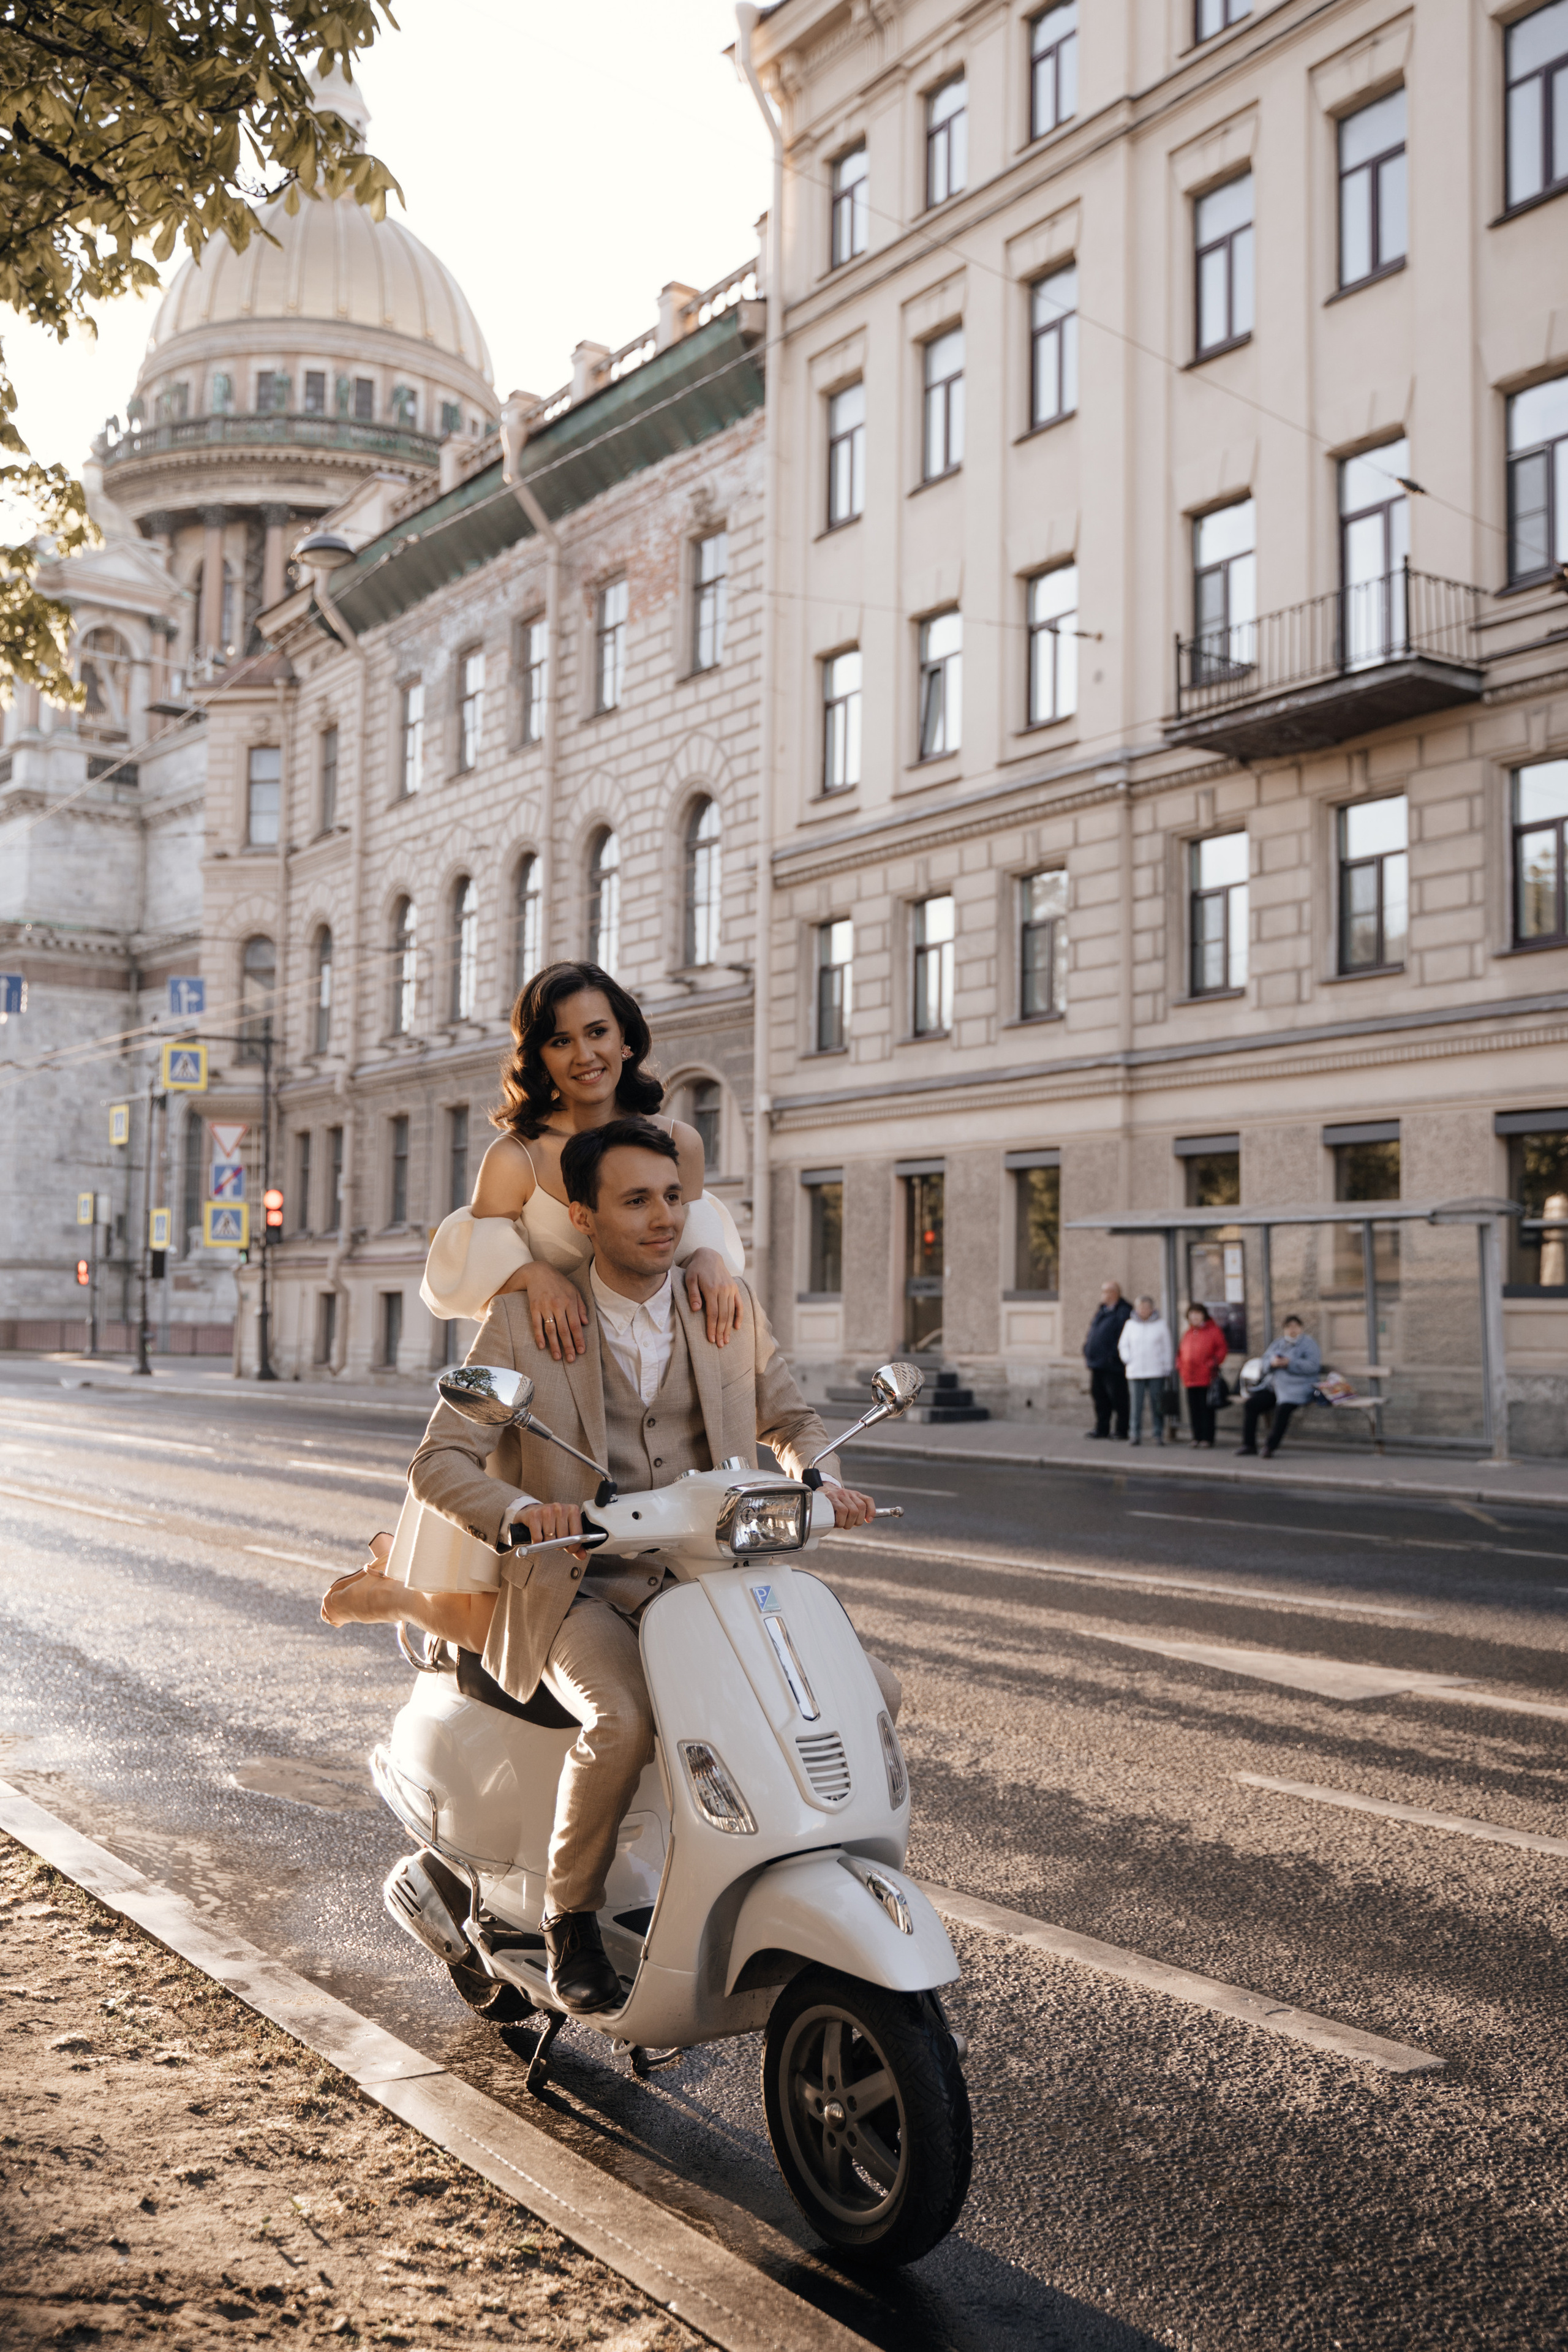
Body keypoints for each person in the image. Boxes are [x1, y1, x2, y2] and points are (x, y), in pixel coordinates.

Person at [323, 1119, 891, 2019]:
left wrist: (822, 1479)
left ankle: (785, 1870)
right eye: (637, 1201)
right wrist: (520, 1514)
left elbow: (791, 1418)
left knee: (868, 1689)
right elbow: (439, 1462)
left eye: (673, 1197)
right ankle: (570, 1916)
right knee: (622, 1719)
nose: (665, 1218)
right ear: (583, 1217)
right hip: (580, 1584)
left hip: (709, 1576)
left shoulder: (724, 1306)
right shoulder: (524, 1320)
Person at [420, 960, 744, 1361]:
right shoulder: (514, 1159)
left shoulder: (680, 1142)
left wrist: (709, 1256)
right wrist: (529, 1273)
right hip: (557, 1373)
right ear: (538, 1059)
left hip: (663, 1369)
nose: (585, 1056)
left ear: (624, 1038)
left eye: (597, 1032)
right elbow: (481, 1284)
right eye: (560, 1041)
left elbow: (684, 1251)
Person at [1236, 1314, 1322, 1458]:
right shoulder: (1278, 1343)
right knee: (1251, 1404)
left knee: (1283, 1409)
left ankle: (1270, 1446)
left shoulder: (1309, 1343)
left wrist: (1290, 1363)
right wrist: (1272, 1363)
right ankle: (1249, 1445)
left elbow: (1313, 1366)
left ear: (1301, 1328)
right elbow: (1264, 1362)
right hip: (1275, 1387)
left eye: (1295, 1326)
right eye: (1289, 1327)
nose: (1292, 1330)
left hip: (1298, 1389)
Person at [1118, 1294, 1175, 1445]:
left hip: (1156, 1370)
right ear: (1136, 1309)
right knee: (1136, 1406)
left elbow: (1167, 1347)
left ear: (1152, 1309)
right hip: (1135, 1371)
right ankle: (1135, 1434)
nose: (1144, 1310)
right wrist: (1127, 1359)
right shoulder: (1130, 1325)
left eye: (1147, 1307)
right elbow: (1123, 1345)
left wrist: (1167, 1367)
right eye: (1141, 1307)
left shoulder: (1161, 1325)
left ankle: (1158, 1434)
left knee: (1157, 1404)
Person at [1082, 1280, 1133, 1439]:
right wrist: (1087, 1349)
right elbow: (1094, 1332)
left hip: (1113, 1365)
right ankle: (1102, 1429)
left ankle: (1121, 1430)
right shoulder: (1102, 1310)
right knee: (1100, 1398)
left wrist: (1113, 1356)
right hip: (1097, 1363)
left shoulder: (1124, 1311)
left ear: (1114, 1293)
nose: (1103, 1295)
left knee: (1119, 1399)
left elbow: (1122, 1337)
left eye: (1105, 1291)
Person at [1178, 1302, 1228, 1450]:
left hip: (1206, 1377)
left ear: (1203, 1315)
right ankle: (1196, 1437)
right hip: (1189, 1377)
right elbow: (1180, 1353)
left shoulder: (1213, 1331)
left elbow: (1222, 1349)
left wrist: (1212, 1363)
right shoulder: (1187, 1333)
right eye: (1192, 1314)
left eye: (1198, 1313)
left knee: (1206, 1409)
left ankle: (1207, 1438)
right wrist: (1180, 1366)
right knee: (1194, 1409)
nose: (1194, 1316)